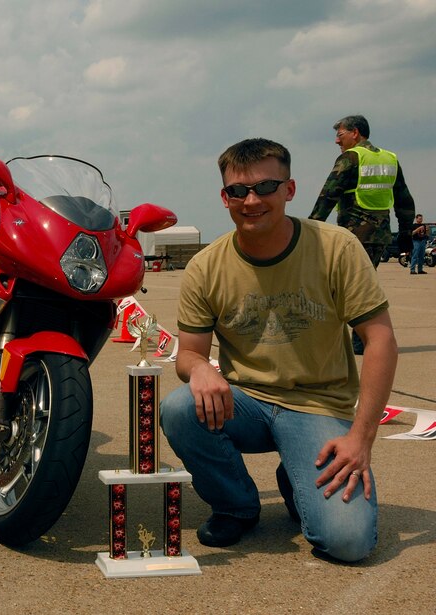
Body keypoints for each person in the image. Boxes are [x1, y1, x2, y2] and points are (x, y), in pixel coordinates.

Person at [160, 138, 397, 563]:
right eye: (238, 191)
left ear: (289, 190)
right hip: (246, 403)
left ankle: (297, 473)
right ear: (224, 197)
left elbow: (380, 339)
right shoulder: (205, 266)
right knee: (179, 409)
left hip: (318, 405)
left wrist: (361, 438)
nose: (251, 200)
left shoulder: (337, 247)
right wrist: (198, 368)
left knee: (347, 542)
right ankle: (236, 505)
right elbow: (189, 353)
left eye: (266, 187)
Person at [309, 115, 416, 267]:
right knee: (367, 281)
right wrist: (405, 232)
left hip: (355, 235)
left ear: (355, 133)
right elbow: (404, 200)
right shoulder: (389, 158)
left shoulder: (351, 157)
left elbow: (328, 196)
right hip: (380, 238)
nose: (337, 141)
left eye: (340, 135)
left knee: (351, 285)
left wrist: (311, 228)